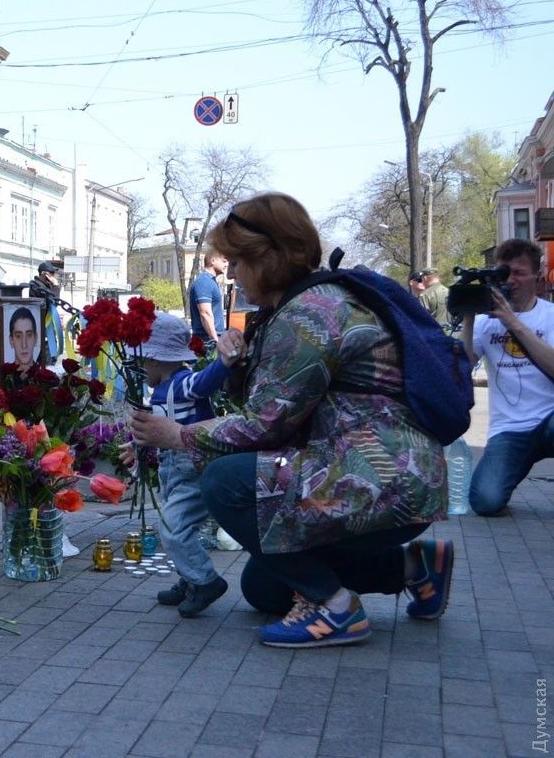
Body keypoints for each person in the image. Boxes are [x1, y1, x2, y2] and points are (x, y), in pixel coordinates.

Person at [130, 192, 451, 648]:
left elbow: (262, 427)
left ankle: (336, 609)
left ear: (268, 258)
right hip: (383, 473)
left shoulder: (308, 316)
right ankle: (415, 567)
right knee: (264, 587)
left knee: (224, 482)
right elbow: (279, 405)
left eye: (239, 262)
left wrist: (179, 435)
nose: (234, 273)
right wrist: (237, 367)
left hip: (380, 476)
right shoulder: (299, 306)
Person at [134, 313, 246, 618]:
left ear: (157, 360)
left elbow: (206, 381)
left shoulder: (182, 383)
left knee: (172, 526)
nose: (142, 369)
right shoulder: (161, 389)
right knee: (182, 526)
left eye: (144, 362)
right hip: (173, 467)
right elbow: (158, 427)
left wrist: (223, 362)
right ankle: (190, 579)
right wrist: (137, 446)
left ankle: (206, 580)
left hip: (192, 466)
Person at [460, 239, 554, 516]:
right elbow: (464, 366)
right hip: (510, 429)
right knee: (485, 501)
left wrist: (511, 321)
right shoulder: (484, 322)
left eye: (519, 273)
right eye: (504, 272)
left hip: (550, 418)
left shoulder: (550, 316)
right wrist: (468, 319)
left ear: (536, 275)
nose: (510, 280)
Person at [189, 248, 228, 346]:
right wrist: (215, 340)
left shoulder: (211, 281)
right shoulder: (204, 282)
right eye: (224, 261)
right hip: (206, 341)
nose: (226, 264)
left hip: (210, 339)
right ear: (213, 261)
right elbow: (205, 313)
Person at [7, 306, 39, 373]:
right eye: (18, 336)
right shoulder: (5, 374)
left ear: (35, 339)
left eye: (29, 335)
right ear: (11, 341)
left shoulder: (43, 377)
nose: (24, 345)